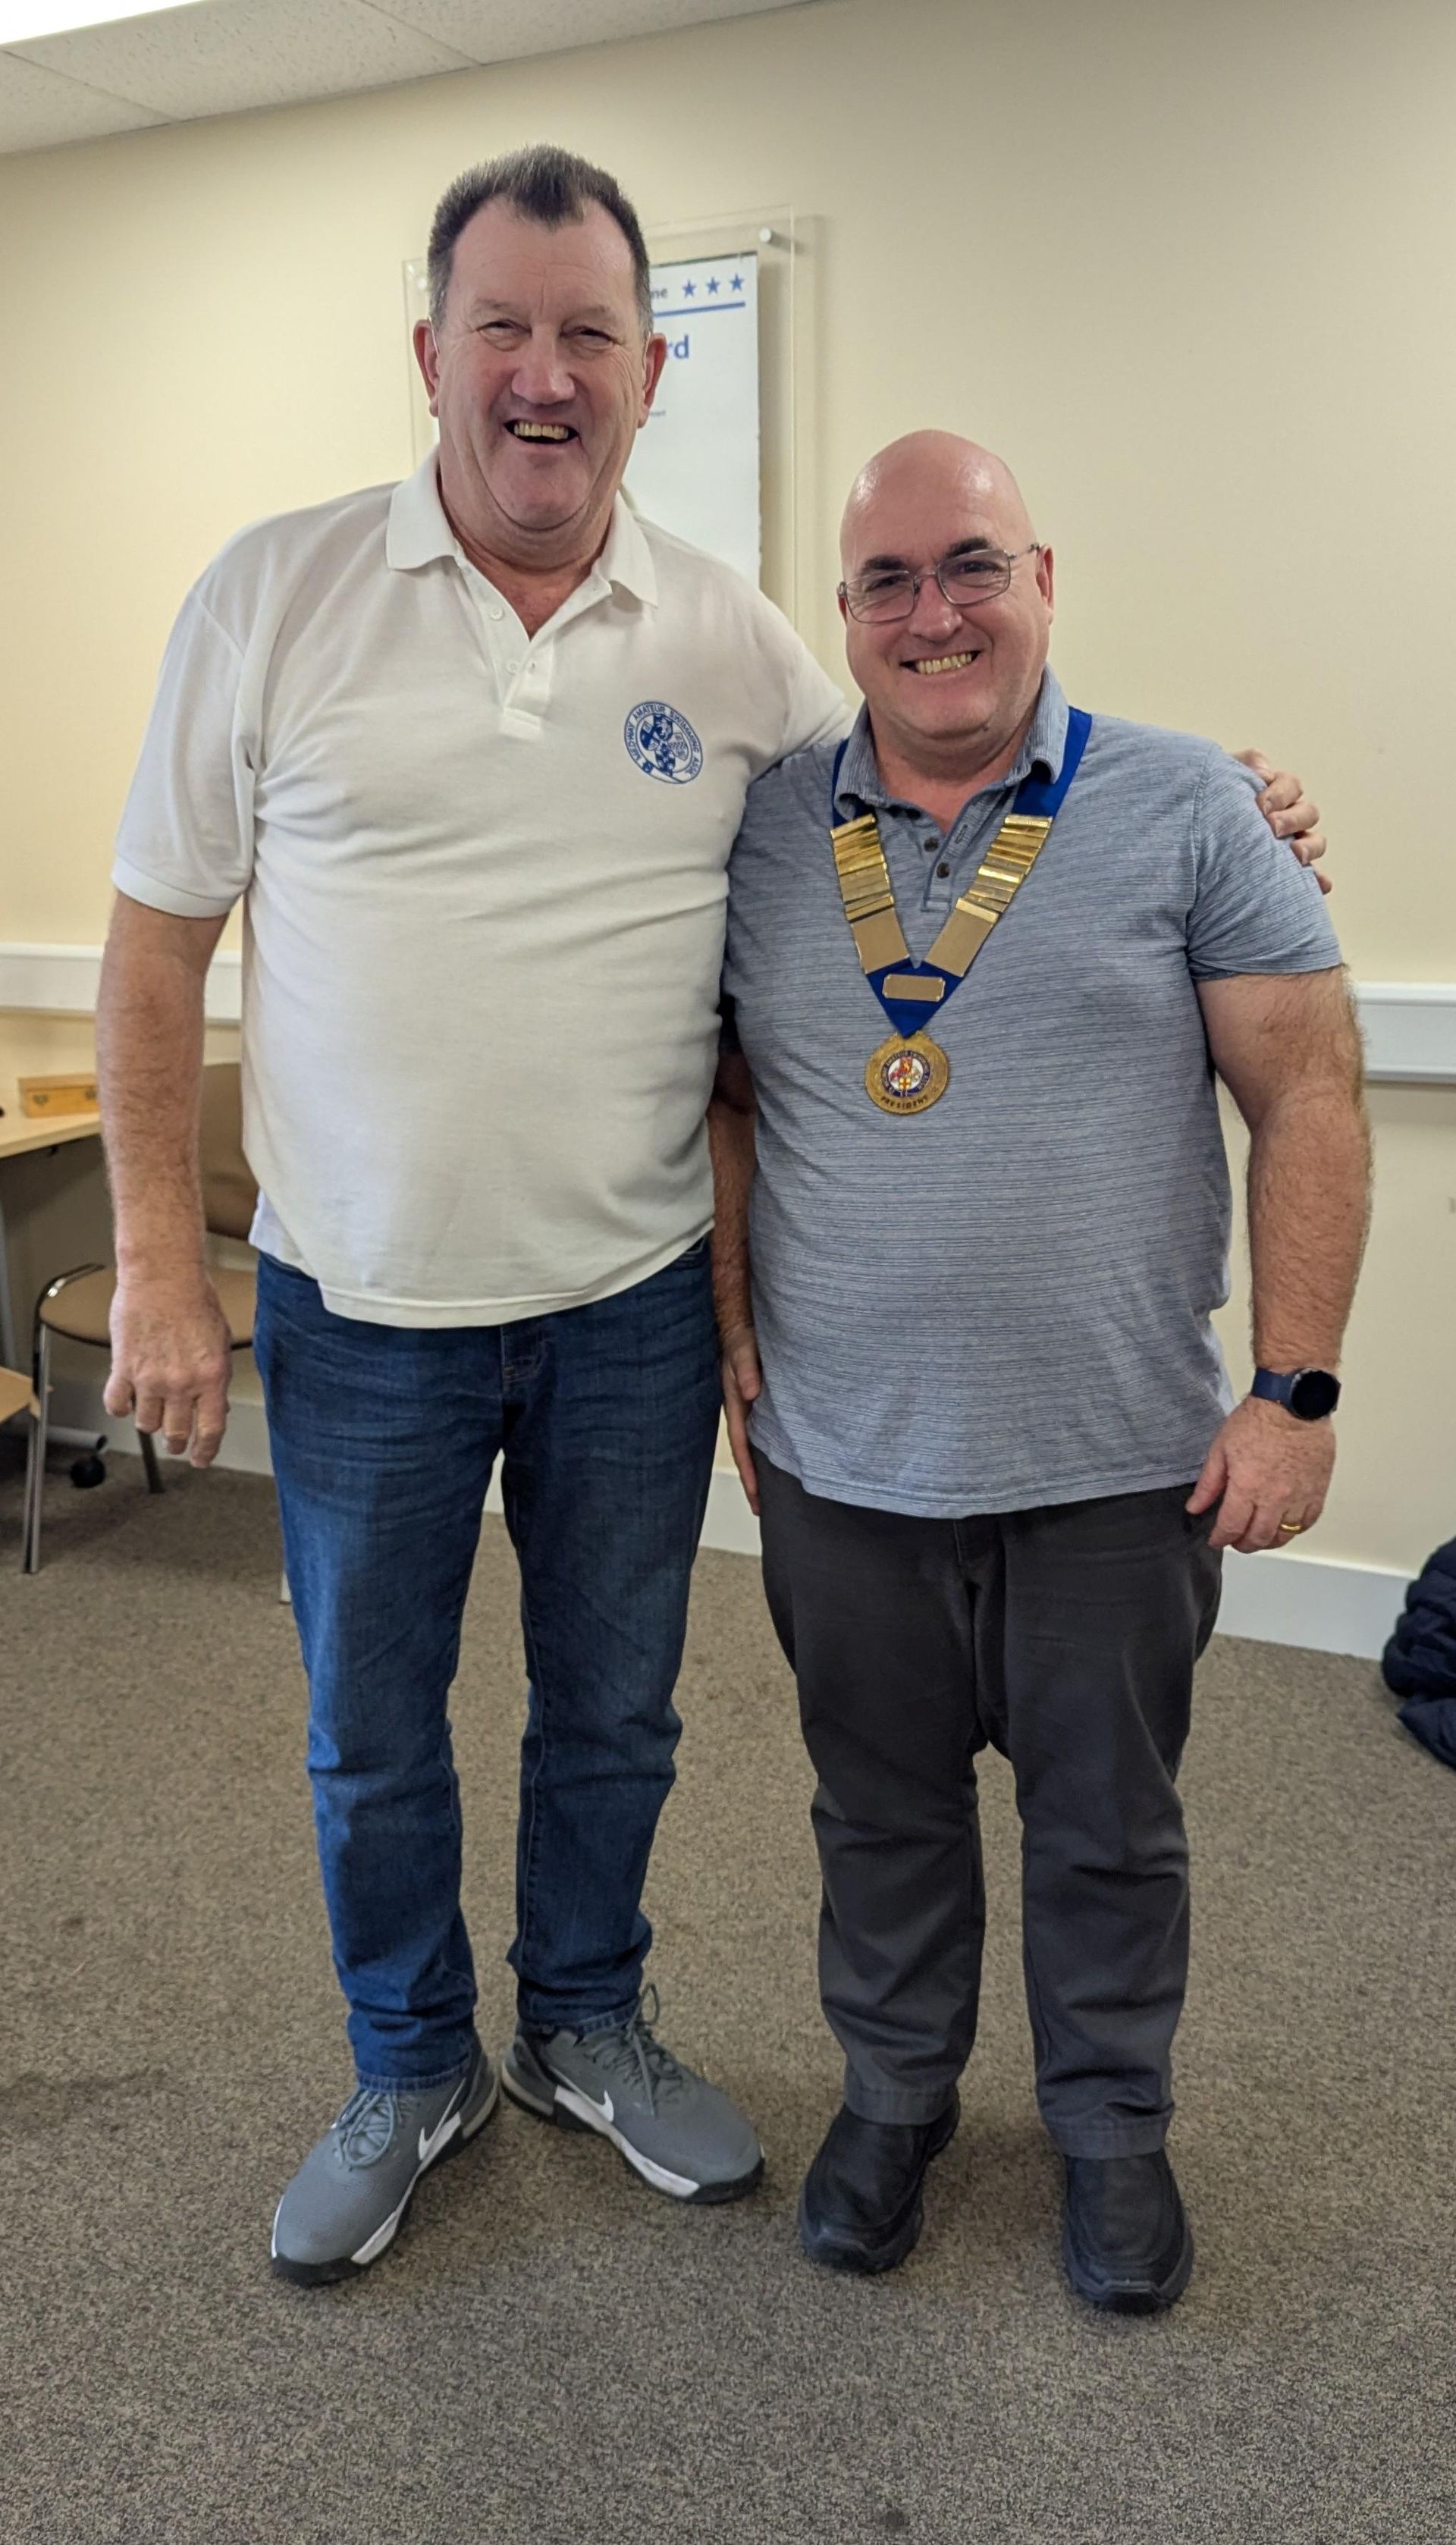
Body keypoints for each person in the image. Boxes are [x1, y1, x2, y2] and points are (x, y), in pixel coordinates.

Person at [96, 137, 1320, 2290]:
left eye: (589, 333)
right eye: (502, 326)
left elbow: (943, 760)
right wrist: (159, 1269)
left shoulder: (736, 641)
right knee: (369, 1732)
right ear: (429, 354)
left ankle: (582, 2020)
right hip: (359, 1301)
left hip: (634, 1302)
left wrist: (1229, 801)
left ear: (651, 372)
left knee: (618, 1712)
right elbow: (151, 951)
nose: (543, 373)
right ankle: (408, 2064)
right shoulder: (271, 597)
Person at [711, 431, 1369, 2311]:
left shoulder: (1191, 805)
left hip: (1117, 1467)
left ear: (1045, 580)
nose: (935, 614)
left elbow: (1311, 1092)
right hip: (847, 1464)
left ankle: (1110, 2127)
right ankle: (895, 2094)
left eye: (973, 565)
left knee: (1109, 1830)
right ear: (845, 613)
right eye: (889, 580)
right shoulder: (761, 829)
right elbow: (730, 1099)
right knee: (879, 1814)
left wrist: (1294, 1392)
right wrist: (736, 1332)